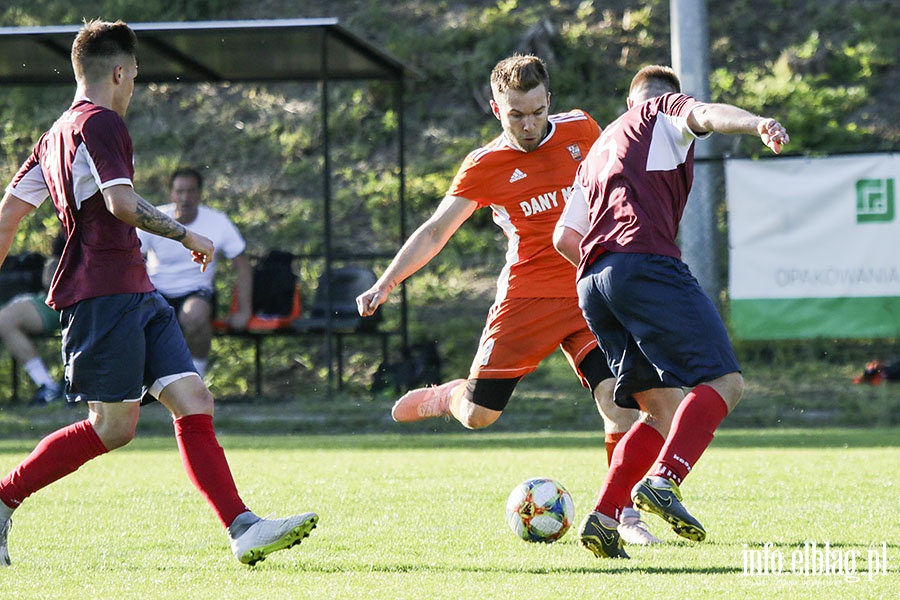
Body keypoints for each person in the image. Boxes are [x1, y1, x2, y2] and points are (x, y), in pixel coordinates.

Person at [0, 19, 317, 567]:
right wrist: (188, 233)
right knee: (113, 427)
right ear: (119, 72)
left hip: (137, 292)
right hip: (100, 295)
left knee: (193, 398)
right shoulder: (101, 123)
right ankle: (4, 498)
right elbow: (122, 205)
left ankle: (242, 528)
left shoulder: (54, 135)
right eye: (135, 75)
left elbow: (7, 218)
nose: (133, 86)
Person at [356, 54, 659, 545]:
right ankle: (449, 395)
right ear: (497, 110)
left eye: (537, 111)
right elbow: (436, 231)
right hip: (527, 298)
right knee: (480, 416)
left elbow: (616, 188)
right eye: (516, 114)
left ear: (549, 102)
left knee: (619, 403)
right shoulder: (485, 165)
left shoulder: (582, 129)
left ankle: (620, 515)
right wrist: (386, 282)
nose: (529, 123)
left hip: (588, 293)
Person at [558, 64, 789, 558]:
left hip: (593, 282)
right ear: (666, 98)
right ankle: (664, 480)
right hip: (645, 264)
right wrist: (757, 123)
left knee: (658, 409)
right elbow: (707, 114)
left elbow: (563, 236)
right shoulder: (663, 111)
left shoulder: (599, 148)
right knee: (726, 382)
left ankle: (604, 517)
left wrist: (611, 268)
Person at [138, 168, 252, 377]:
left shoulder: (218, 221)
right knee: (130, 318)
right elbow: (133, 259)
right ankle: (144, 381)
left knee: (194, 316)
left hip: (197, 292)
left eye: (191, 191)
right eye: (180, 192)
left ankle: (196, 377)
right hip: (156, 292)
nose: (185, 198)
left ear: (200, 194)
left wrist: (243, 311)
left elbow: (242, 264)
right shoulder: (154, 218)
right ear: (171, 194)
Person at [0, 234, 64, 406]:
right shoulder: (69, 220)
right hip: (56, 296)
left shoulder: (120, 214)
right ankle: (48, 386)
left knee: (4, 319)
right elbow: (53, 267)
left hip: (82, 299)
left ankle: (53, 388)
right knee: (4, 320)